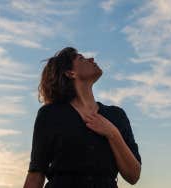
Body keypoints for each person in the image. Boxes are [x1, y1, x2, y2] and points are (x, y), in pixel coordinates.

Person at [23, 47, 142, 188]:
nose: (91, 59)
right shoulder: (49, 115)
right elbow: (36, 173)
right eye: (81, 58)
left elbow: (133, 175)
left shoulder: (116, 115)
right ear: (70, 72)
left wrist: (112, 134)